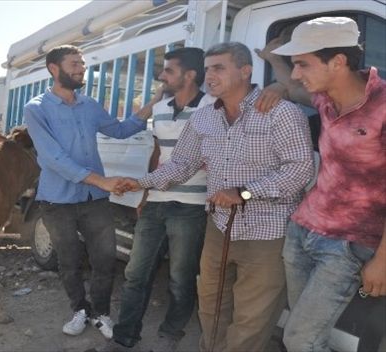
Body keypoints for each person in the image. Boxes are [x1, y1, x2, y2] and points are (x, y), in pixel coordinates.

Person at [116, 42, 315, 351]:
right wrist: (138, 182)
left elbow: (300, 169)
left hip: (268, 233)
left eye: (219, 68)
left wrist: (246, 192)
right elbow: (181, 164)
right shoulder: (204, 118)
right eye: (208, 69)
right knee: (210, 307)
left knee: (252, 319)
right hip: (219, 227)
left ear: (246, 70)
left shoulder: (281, 112)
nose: (210, 75)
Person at [24, 44, 162, 340]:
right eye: (74, 64)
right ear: (54, 69)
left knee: (104, 258)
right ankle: (79, 310)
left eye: (83, 65)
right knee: (69, 261)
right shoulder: (36, 108)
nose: (81, 69)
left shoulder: (90, 106)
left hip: (94, 201)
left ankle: (100, 314)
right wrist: (103, 181)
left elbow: (121, 130)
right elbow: (52, 158)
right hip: (57, 201)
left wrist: (154, 102)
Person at [268, 17, 386, 351]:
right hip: (302, 232)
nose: (296, 74)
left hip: (347, 246)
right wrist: (274, 64)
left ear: (337, 62)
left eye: (302, 64)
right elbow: (291, 88)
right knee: (307, 336)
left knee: (298, 338)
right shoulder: (325, 98)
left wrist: (382, 260)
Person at [100, 47, 215, 352]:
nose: (162, 76)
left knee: (181, 277)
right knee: (135, 273)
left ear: (189, 75)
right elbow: (157, 153)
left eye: (169, 71)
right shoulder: (161, 108)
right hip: (156, 203)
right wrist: (145, 195)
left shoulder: (212, 107)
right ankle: (124, 337)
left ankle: (170, 334)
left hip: (191, 208)